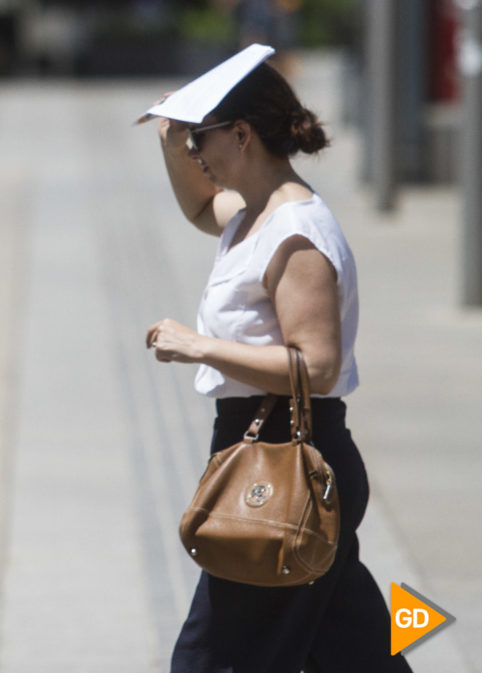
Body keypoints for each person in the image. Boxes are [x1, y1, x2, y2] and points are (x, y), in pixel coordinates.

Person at [145, 64, 413, 672]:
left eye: (200, 138)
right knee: (352, 647)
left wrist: (199, 346)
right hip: (278, 450)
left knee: (213, 656)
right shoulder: (255, 212)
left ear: (242, 135)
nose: (195, 152)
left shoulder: (296, 233)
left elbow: (315, 365)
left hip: (288, 458)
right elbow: (199, 208)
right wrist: (170, 143)